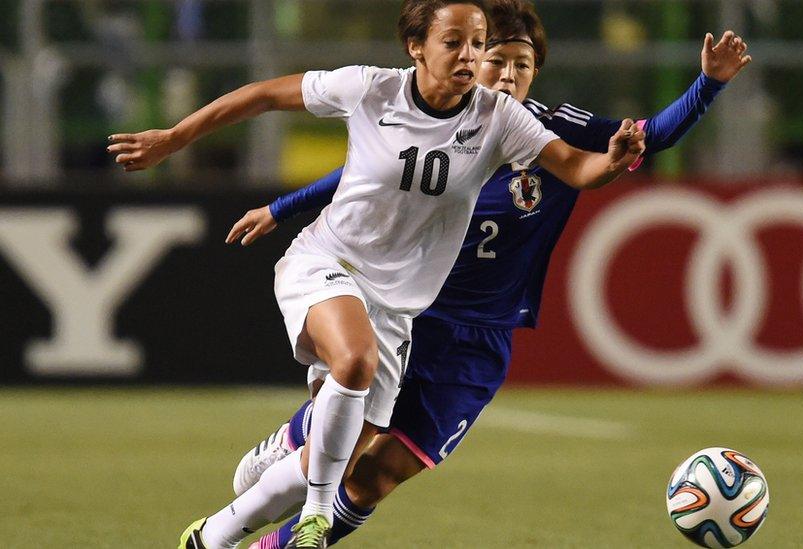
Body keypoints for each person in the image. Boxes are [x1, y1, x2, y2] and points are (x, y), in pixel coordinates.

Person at [109, 1, 645, 547]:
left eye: (478, 44)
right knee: (353, 362)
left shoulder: (499, 117)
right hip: (328, 262)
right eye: (454, 42)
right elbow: (264, 94)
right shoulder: (369, 89)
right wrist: (175, 138)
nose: (470, 56)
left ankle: (210, 537)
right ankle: (317, 516)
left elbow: (577, 168)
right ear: (417, 47)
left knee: (337, 453)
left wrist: (613, 159)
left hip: (397, 307)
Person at [220, 1, 751, 546]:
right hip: (410, 312)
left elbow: (649, 136)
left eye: (522, 64)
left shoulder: (554, 132)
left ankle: (275, 543)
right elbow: (364, 173)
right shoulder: (441, 115)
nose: (507, 74)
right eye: (496, 59)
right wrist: (281, 208)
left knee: (382, 474)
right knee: (347, 441)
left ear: (536, 71)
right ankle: (292, 442)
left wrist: (706, 86)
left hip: (479, 338)